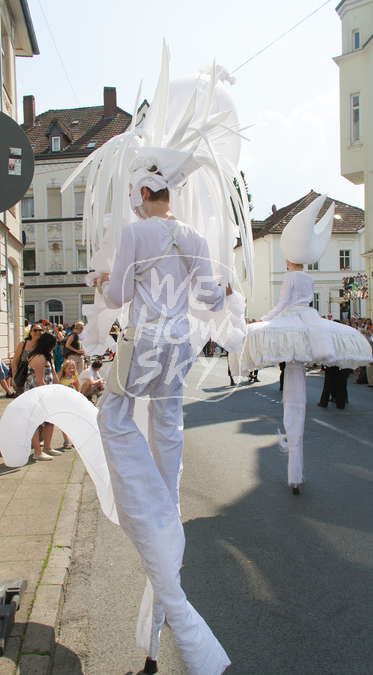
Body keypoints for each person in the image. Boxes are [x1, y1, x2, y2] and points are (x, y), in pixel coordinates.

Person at [95, 157, 232, 675]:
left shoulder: (135, 233)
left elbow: (120, 295)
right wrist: (227, 294)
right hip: (180, 344)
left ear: (144, 195)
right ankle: (166, 506)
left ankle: (149, 504)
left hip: (144, 342)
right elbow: (207, 295)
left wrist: (102, 281)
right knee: (169, 433)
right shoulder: (193, 235)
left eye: (136, 196)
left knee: (114, 415)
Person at [230, 195, 372, 494]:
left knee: (291, 383)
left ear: (288, 259)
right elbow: (302, 303)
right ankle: (295, 469)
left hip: (294, 318)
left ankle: (295, 469)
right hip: (309, 320)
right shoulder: (307, 277)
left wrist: (261, 321)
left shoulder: (291, 277)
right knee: (296, 384)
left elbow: (283, 304)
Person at [24, 332, 62, 460]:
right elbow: (39, 380)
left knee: (50, 421)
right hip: (37, 393)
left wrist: (59, 389)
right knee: (35, 422)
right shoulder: (39, 357)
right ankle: (37, 452)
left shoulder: (47, 356)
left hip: (47, 392)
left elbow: (54, 374)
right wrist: (47, 396)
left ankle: (47, 447)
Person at [11, 323, 43, 393]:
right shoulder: (23, 344)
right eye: (35, 330)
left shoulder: (43, 346)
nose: (38, 332)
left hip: (38, 380)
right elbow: (15, 361)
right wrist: (14, 377)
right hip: (23, 378)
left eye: (40, 330)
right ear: (30, 332)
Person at [58, 359, 81, 448]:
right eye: (69, 368)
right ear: (64, 369)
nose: (71, 370)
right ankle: (66, 441)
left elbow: (78, 389)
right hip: (64, 403)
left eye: (72, 368)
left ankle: (74, 440)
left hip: (73, 402)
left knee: (73, 422)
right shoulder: (61, 380)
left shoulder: (74, 378)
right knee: (65, 422)